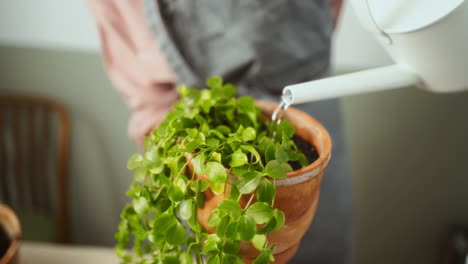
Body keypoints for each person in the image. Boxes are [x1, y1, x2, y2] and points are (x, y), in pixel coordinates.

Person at [87, 1, 352, 263]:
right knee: (198, 245)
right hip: (181, 113)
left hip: (300, 93)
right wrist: (159, 118)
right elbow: (118, 20)